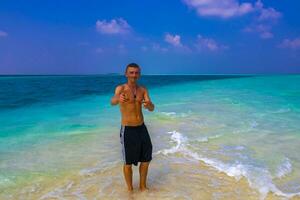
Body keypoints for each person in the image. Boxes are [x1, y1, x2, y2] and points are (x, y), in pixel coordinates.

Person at [111, 63, 155, 192]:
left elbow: (152, 108)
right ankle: (130, 190)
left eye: (136, 72)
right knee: (128, 163)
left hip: (142, 128)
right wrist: (118, 98)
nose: (134, 75)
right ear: (126, 74)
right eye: (131, 72)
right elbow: (112, 101)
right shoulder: (121, 88)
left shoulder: (143, 89)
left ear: (139, 74)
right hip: (128, 129)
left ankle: (142, 187)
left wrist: (149, 104)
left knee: (146, 159)